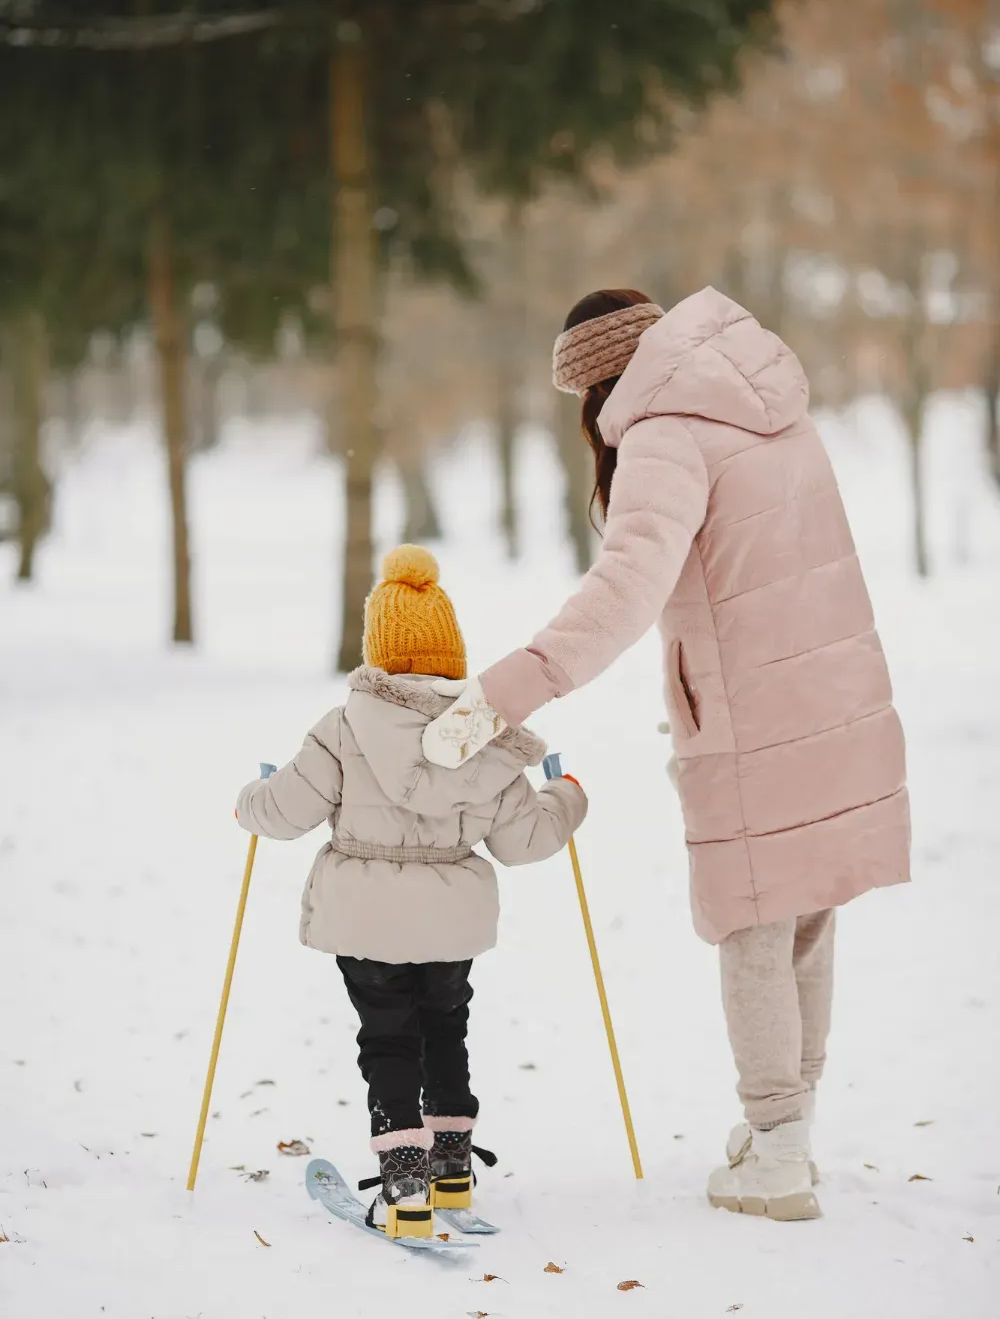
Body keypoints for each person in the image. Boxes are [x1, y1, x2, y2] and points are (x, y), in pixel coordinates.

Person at [423, 286, 910, 1221]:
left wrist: (498, 698)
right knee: (805, 913)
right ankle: (789, 1128)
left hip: (756, 713)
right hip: (835, 691)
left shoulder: (662, 433)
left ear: (592, 387)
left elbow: (625, 592)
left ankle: (775, 1156)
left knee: (753, 923)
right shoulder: (765, 407)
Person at [236, 545, 586, 1239]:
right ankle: (451, 1167)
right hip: (451, 922)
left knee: (388, 1038)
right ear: (451, 656)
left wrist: (252, 798)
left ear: (377, 653)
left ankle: (405, 1182)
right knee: (444, 1028)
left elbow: (282, 812)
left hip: (366, 920)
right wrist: (564, 797)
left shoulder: (342, 730)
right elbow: (524, 841)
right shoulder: (487, 739)